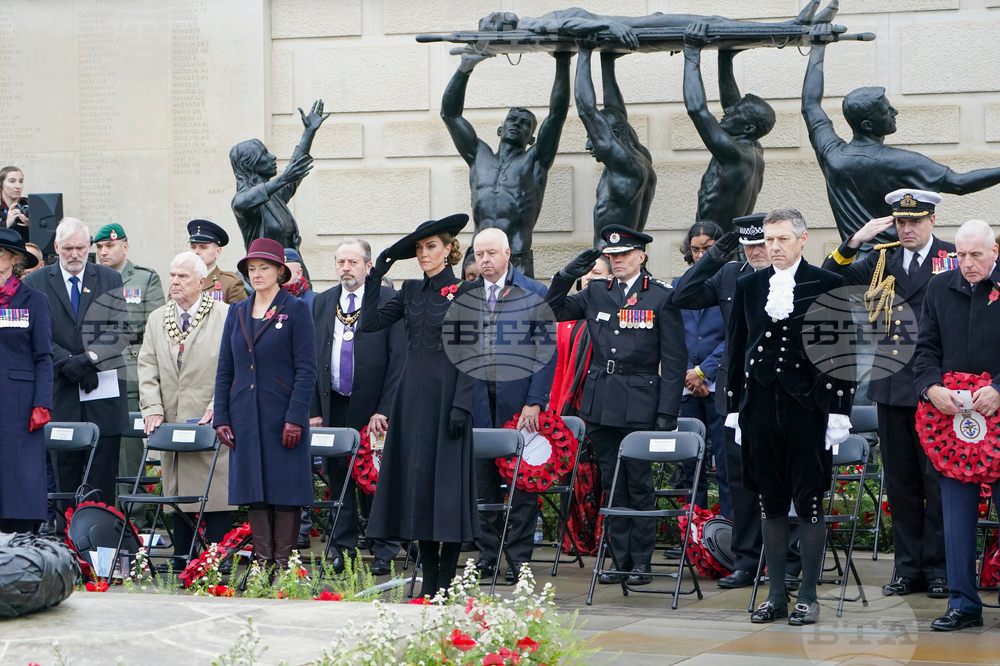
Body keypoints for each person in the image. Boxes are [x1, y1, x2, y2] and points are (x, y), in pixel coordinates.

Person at [726, 208, 854, 626]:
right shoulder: (748, 285)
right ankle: (776, 593)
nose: (773, 247)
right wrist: (734, 407)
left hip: (808, 408)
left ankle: (810, 596)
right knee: (770, 501)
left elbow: (841, 355)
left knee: (809, 500)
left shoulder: (828, 283)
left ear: (802, 239)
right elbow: (735, 349)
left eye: (782, 238)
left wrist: (838, 412)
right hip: (759, 407)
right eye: (769, 239)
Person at [822, 189, 952, 599]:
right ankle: (906, 567)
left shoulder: (952, 258)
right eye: (901, 222)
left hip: (939, 389)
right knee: (901, 483)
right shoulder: (882, 259)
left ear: (932, 220)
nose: (907, 229)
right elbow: (831, 278)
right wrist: (853, 242)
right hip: (893, 386)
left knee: (937, 484)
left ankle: (938, 569)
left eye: (915, 221)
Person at [546, 225, 686, 585]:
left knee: (638, 483)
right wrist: (565, 276)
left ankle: (641, 562)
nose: (617, 260)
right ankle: (617, 557)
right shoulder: (596, 292)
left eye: (624, 254)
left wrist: (667, 411)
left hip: (640, 402)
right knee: (611, 482)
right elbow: (552, 310)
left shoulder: (658, 296)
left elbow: (673, 360)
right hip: (601, 401)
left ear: (641, 256)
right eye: (612, 255)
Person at [361, 214, 480, 598]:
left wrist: (462, 405)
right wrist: (375, 278)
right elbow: (369, 323)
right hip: (411, 401)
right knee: (419, 493)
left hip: (448, 401)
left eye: (431, 246)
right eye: (419, 248)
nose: (424, 254)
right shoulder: (410, 290)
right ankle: (429, 584)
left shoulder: (465, 293)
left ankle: (445, 582)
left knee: (444, 493)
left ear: (448, 250)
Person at [674, 214, 791, 589]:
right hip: (736, 393)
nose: (758, 251)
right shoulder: (728, 274)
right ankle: (745, 560)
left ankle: (787, 565)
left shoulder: (793, 276)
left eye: (764, 243)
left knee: (783, 482)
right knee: (738, 482)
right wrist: (714, 256)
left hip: (781, 394)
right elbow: (683, 295)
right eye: (751, 244)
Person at [803, 28, 1000, 248]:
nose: (894, 111)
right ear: (868, 125)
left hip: (852, 264)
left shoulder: (833, 156)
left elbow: (810, 106)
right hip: (891, 266)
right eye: (887, 110)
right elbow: (960, 183)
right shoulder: (900, 161)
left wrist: (817, 47)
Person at [913, 219, 1000, 631]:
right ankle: (963, 602)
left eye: (975, 255)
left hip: (999, 414)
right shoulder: (938, 287)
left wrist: (999, 388)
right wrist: (931, 387)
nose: (966, 263)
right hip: (953, 421)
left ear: (994, 251)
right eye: (961, 255)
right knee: (956, 518)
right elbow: (925, 347)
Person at [213, 238, 317, 572]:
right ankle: (262, 563)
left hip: (282, 414)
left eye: (264, 268)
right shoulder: (237, 311)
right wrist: (222, 417)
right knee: (254, 489)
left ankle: (283, 565)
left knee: (285, 489)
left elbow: (307, 370)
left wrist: (296, 416)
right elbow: (225, 368)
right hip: (244, 413)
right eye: (252, 269)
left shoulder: (296, 309)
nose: (257, 275)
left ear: (280, 271)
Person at [308, 239, 406, 576]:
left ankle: (384, 549)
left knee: (377, 479)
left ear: (367, 266)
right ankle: (342, 549)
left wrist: (386, 408)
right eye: (340, 262)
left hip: (374, 408)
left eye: (353, 262)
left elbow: (399, 361)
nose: (346, 268)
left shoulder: (389, 301)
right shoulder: (322, 303)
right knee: (339, 479)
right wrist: (313, 410)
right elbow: (311, 359)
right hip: (333, 403)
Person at [468, 228, 557, 583]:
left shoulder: (533, 293)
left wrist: (534, 402)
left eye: (491, 253)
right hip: (478, 404)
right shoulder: (467, 295)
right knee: (482, 485)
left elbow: (545, 354)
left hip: (518, 405)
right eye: (478, 255)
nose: (484, 261)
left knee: (522, 486)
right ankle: (488, 554)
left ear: (508, 253)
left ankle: (519, 559)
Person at [24, 218, 130, 506]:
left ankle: (103, 546)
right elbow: (34, 333)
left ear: (88, 248)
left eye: (80, 248)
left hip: (103, 396)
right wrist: (68, 362)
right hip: (61, 395)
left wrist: (89, 360)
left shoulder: (109, 279)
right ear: (56, 247)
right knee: (64, 483)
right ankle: (65, 547)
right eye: (68, 248)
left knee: (102, 486)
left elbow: (121, 329)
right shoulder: (35, 282)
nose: (74, 254)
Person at [138, 252, 232, 571]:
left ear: (201, 282)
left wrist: (219, 405)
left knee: (215, 491)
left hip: (210, 418)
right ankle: (183, 558)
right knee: (178, 492)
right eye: (172, 275)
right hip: (172, 420)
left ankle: (217, 559)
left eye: (183, 277)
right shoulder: (158, 318)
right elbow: (147, 365)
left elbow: (235, 368)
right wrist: (152, 407)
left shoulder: (225, 315)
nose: (175, 282)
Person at [442, 51, 571, 278]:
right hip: (477, 258)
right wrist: (466, 65)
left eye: (524, 124)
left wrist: (563, 60)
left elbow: (557, 115)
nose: (516, 125)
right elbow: (450, 114)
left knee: (519, 313)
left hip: (516, 257)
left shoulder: (535, 160)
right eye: (512, 120)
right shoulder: (478, 155)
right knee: (470, 313)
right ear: (500, 130)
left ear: (531, 138)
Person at [93, 222, 166, 512]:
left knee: (130, 451)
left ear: (125, 246)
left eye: (109, 246)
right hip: (95, 373)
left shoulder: (144, 279)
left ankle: (132, 517)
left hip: (130, 369)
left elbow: (154, 327)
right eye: (98, 247)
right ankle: (100, 514)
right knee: (100, 450)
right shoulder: (91, 278)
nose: (103, 252)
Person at [683, 28, 774, 233]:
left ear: (748, 128)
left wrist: (691, 52)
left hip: (716, 246)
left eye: (736, 112)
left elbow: (696, 110)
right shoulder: (752, 147)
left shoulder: (735, 154)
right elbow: (732, 105)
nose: (728, 111)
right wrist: (725, 56)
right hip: (723, 243)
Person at [230, 101, 330, 267]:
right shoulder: (244, 203)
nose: (273, 157)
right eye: (264, 154)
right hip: (266, 281)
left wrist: (309, 133)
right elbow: (242, 201)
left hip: (292, 277)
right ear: (251, 164)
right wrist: (283, 178)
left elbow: (295, 169)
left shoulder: (275, 196)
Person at [575, 45, 656, 245]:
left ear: (613, 137)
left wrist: (583, 52)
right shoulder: (641, 157)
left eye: (593, 137)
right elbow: (616, 113)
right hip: (630, 253)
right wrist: (607, 61)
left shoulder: (623, 165)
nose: (588, 145)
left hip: (610, 258)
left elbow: (586, 109)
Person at [673, 222, 728, 514]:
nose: (700, 255)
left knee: (725, 465)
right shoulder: (679, 285)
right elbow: (673, 337)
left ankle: (727, 535)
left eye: (707, 248)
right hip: (687, 387)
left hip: (719, 385)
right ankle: (692, 535)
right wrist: (688, 375)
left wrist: (704, 372)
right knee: (689, 466)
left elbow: (734, 336)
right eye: (695, 249)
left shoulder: (733, 281)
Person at [0, 228, 52, 533]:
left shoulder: (34, 300)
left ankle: (19, 533)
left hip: (20, 402)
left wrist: (42, 402)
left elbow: (44, 356)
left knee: (19, 472)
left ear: (15, 259)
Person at [187, 219, 247, 304]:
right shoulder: (179, 280)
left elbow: (237, 316)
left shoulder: (230, 283)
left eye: (203, 247)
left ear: (217, 252)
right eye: (193, 247)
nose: (196, 252)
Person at [0, 166, 29, 244]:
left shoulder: (29, 204)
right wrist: (5, 224)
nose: (18, 186)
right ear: (1, 184)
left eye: (21, 181)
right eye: (12, 181)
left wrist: (32, 225)